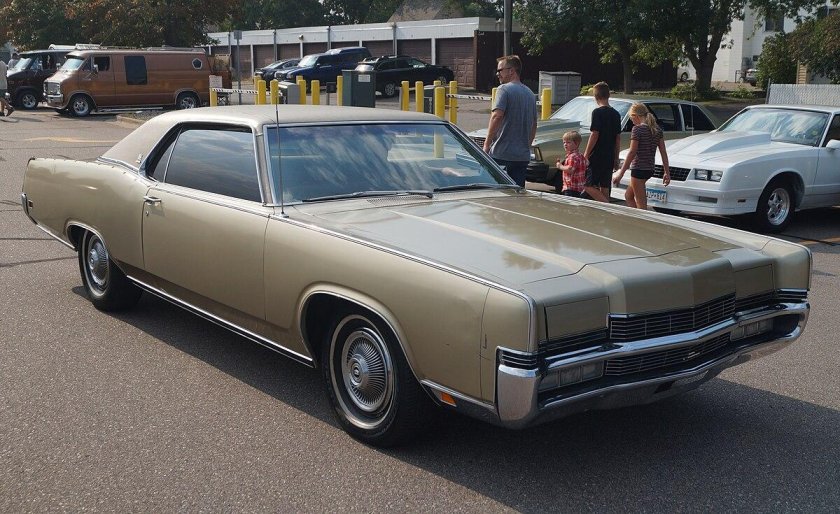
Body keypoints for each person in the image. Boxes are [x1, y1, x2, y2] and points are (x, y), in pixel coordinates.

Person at [483, 55, 537, 187]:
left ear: (511, 70)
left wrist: (486, 145)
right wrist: (526, 146)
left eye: (500, 70)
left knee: (497, 194)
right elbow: (534, 124)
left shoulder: (504, 89)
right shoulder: (530, 93)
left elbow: (497, 116)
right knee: (516, 195)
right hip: (522, 157)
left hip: (502, 154)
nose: (498, 74)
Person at [612, 102, 670, 209]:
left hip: (639, 169)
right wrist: (667, 172)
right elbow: (663, 152)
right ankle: (634, 220)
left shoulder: (637, 129)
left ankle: (641, 223)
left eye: (631, 119)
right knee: (628, 196)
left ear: (636, 116)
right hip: (649, 169)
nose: (632, 122)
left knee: (641, 204)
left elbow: (632, 152)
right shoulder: (657, 130)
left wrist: (621, 173)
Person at [582, 82, 621, 202]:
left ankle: (606, 204)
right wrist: (616, 157)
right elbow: (617, 137)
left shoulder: (597, 112)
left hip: (597, 154)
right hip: (609, 154)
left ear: (596, 97)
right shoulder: (616, 114)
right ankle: (605, 210)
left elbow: (595, 134)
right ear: (608, 95)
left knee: (587, 184)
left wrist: (586, 154)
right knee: (605, 186)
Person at [555, 130, 587, 197]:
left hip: (571, 188)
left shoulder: (572, 157)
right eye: (564, 142)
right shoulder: (581, 155)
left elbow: (570, 169)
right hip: (580, 188)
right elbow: (587, 164)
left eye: (568, 142)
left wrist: (560, 166)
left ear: (577, 143)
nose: (565, 144)